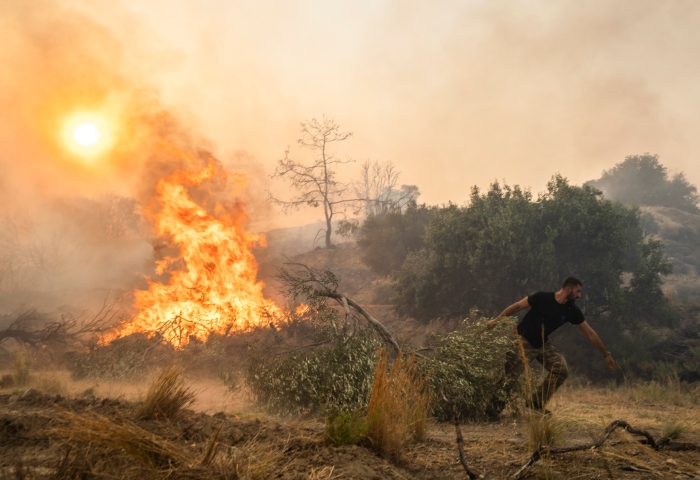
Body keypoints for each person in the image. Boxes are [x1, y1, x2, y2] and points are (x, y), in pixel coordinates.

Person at [486, 277, 615, 415]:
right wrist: (496, 320)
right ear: (568, 289)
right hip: (522, 340)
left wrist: (606, 354)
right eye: (578, 291)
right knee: (509, 377)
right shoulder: (541, 297)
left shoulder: (572, 310)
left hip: (542, 344)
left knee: (561, 371)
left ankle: (534, 405)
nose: (579, 295)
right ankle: (490, 412)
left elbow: (589, 332)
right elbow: (517, 306)